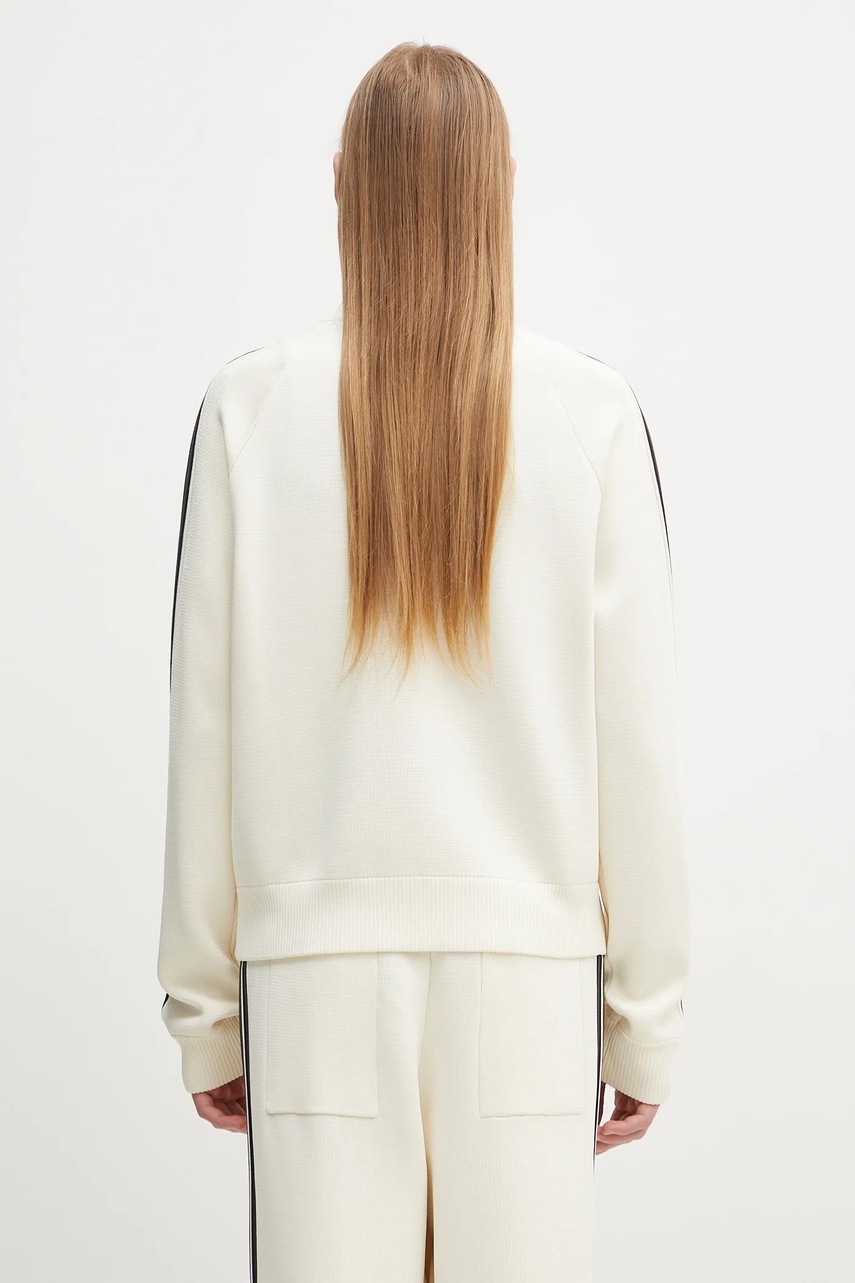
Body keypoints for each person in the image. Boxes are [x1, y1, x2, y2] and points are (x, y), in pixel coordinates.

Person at [156, 40, 690, 1283]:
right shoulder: (592, 416)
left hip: (315, 983)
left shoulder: (248, 411)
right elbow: (638, 743)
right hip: (527, 982)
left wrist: (206, 1014)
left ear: (342, 179)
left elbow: (203, 729)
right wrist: (644, 1023)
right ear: (504, 185)